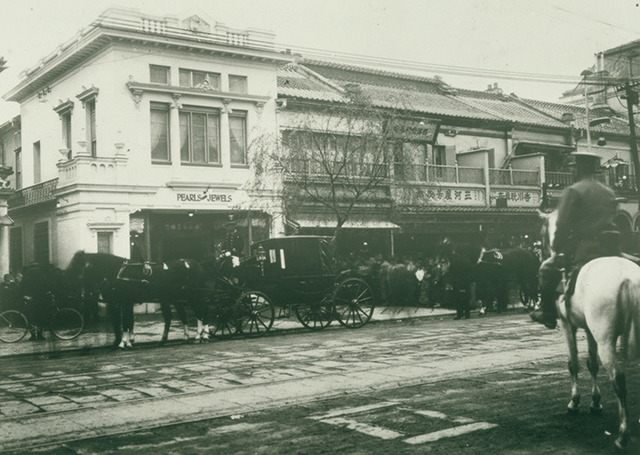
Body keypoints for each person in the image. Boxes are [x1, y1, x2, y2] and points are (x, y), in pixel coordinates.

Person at [531, 152, 619, 329]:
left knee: (546, 269)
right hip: (611, 248)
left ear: (577, 170)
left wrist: (558, 246)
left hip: (584, 249)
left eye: (573, 169)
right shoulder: (608, 192)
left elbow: (563, 224)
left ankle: (547, 312)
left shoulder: (573, 191)